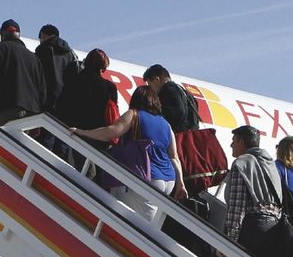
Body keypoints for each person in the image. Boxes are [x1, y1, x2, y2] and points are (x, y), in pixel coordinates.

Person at [69, 85, 183, 217]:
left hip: (147, 177)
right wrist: (180, 184)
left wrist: (83, 132)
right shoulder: (166, 124)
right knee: (150, 222)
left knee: (138, 227)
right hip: (169, 180)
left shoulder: (134, 114)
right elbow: (174, 156)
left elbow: (111, 132)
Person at [221, 125, 290, 257]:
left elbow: (237, 206)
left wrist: (230, 240)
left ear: (242, 142)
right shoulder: (270, 164)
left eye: (234, 141)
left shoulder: (242, 163)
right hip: (273, 227)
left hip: (254, 226)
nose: (231, 145)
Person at [0, 19, 46, 123]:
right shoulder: (34, 58)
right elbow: (42, 90)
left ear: (2, 34)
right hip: (33, 112)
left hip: (8, 108)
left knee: (4, 138)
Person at [143, 64, 200, 134]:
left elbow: (178, 112)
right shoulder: (185, 92)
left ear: (156, 80)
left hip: (179, 137)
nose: (150, 88)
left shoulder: (167, 89)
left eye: (150, 84)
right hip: (191, 137)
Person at [35, 24, 79, 113]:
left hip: (47, 101)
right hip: (65, 100)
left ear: (43, 35)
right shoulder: (70, 53)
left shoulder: (43, 50)